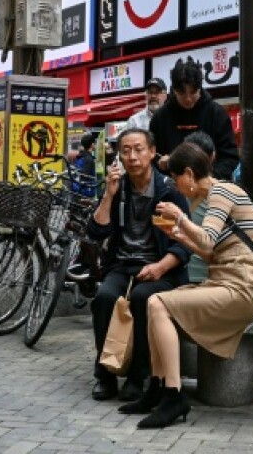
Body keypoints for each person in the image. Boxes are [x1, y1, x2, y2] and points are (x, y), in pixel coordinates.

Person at [121, 142, 253, 428]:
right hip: (225, 279)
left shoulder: (222, 191)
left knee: (157, 302)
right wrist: (179, 237)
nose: (176, 186)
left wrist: (181, 219)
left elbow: (208, 240)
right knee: (156, 305)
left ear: (188, 173)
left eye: (176, 179)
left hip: (243, 285)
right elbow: (212, 253)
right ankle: (159, 389)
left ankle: (173, 397)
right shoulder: (209, 197)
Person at [85, 128, 191, 403]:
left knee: (144, 298)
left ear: (152, 152)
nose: (132, 157)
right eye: (125, 151)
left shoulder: (168, 191)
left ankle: (137, 376)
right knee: (105, 298)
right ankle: (105, 374)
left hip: (162, 268)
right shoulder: (118, 188)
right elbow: (96, 232)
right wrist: (108, 195)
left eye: (139, 149)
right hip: (122, 266)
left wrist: (160, 267)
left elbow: (184, 244)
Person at [148, 59, 239, 181]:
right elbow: (152, 155)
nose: (188, 99)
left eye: (193, 92)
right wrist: (161, 165)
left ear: (200, 88)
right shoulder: (160, 117)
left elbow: (229, 156)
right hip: (171, 187)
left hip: (210, 185)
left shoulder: (216, 113)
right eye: (182, 93)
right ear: (173, 90)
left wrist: (209, 178)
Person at [180, 131, 220, 284]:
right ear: (213, 157)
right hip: (216, 277)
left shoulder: (171, 191)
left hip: (185, 275)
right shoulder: (225, 192)